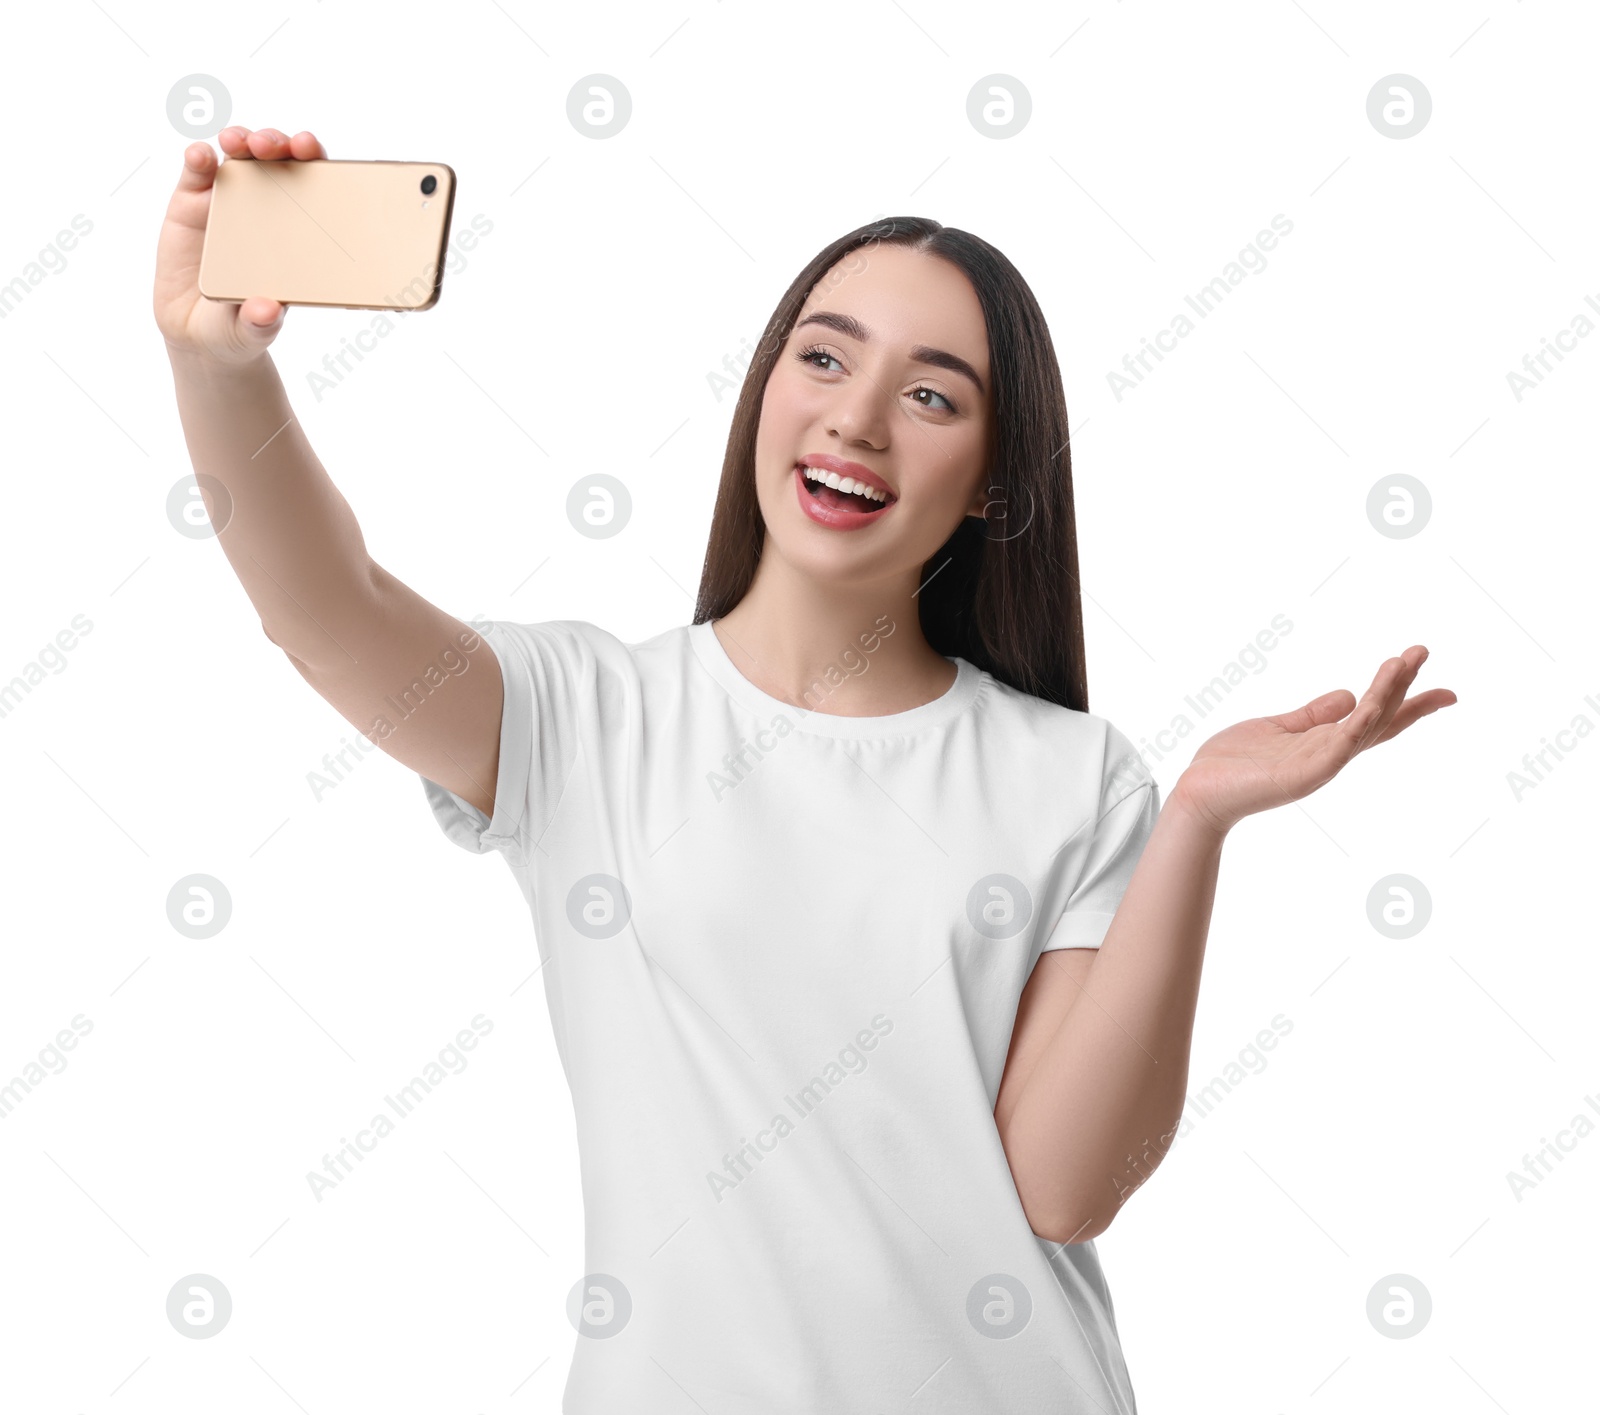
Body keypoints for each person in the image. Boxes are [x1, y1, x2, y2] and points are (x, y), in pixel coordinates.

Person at [154, 126, 1457, 1414]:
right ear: (763, 392)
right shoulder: (588, 719)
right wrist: (218, 370)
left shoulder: (1076, 778)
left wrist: (1198, 824)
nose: (858, 417)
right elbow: (327, 607)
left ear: (996, 483)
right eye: (824, 357)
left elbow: (1064, 1189)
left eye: (933, 394)